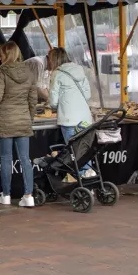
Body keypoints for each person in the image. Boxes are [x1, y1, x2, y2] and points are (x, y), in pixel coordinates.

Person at [0, 41, 37, 207]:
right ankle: (28, 195)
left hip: (5, 120)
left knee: (6, 159)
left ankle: (6, 195)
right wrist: (29, 118)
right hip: (23, 119)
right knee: (25, 159)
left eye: (1, 54)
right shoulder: (30, 71)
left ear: (7, 54)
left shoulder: (3, 71)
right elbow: (33, 99)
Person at [47, 47, 96, 179]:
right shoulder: (80, 70)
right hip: (85, 118)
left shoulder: (57, 74)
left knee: (73, 151)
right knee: (85, 150)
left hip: (69, 119)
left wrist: (56, 105)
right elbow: (87, 94)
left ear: (54, 59)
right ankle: (89, 175)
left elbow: (53, 101)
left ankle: (83, 176)